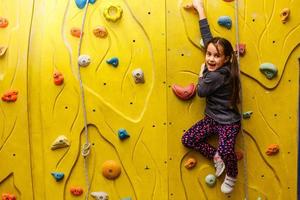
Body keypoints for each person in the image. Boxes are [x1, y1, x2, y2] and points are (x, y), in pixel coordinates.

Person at [181, 0, 242, 194]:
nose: (210, 59)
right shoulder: (218, 64)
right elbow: (208, 38)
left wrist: (200, 75)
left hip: (229, 123)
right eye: (208, 54)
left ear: (226, 59)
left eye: (216, 56)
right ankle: (216, 157)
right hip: (212, 119)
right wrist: (200, 10)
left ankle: (232, 174)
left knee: (227, 150)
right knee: (188, 139)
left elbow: (200, 92)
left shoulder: (217, 75)